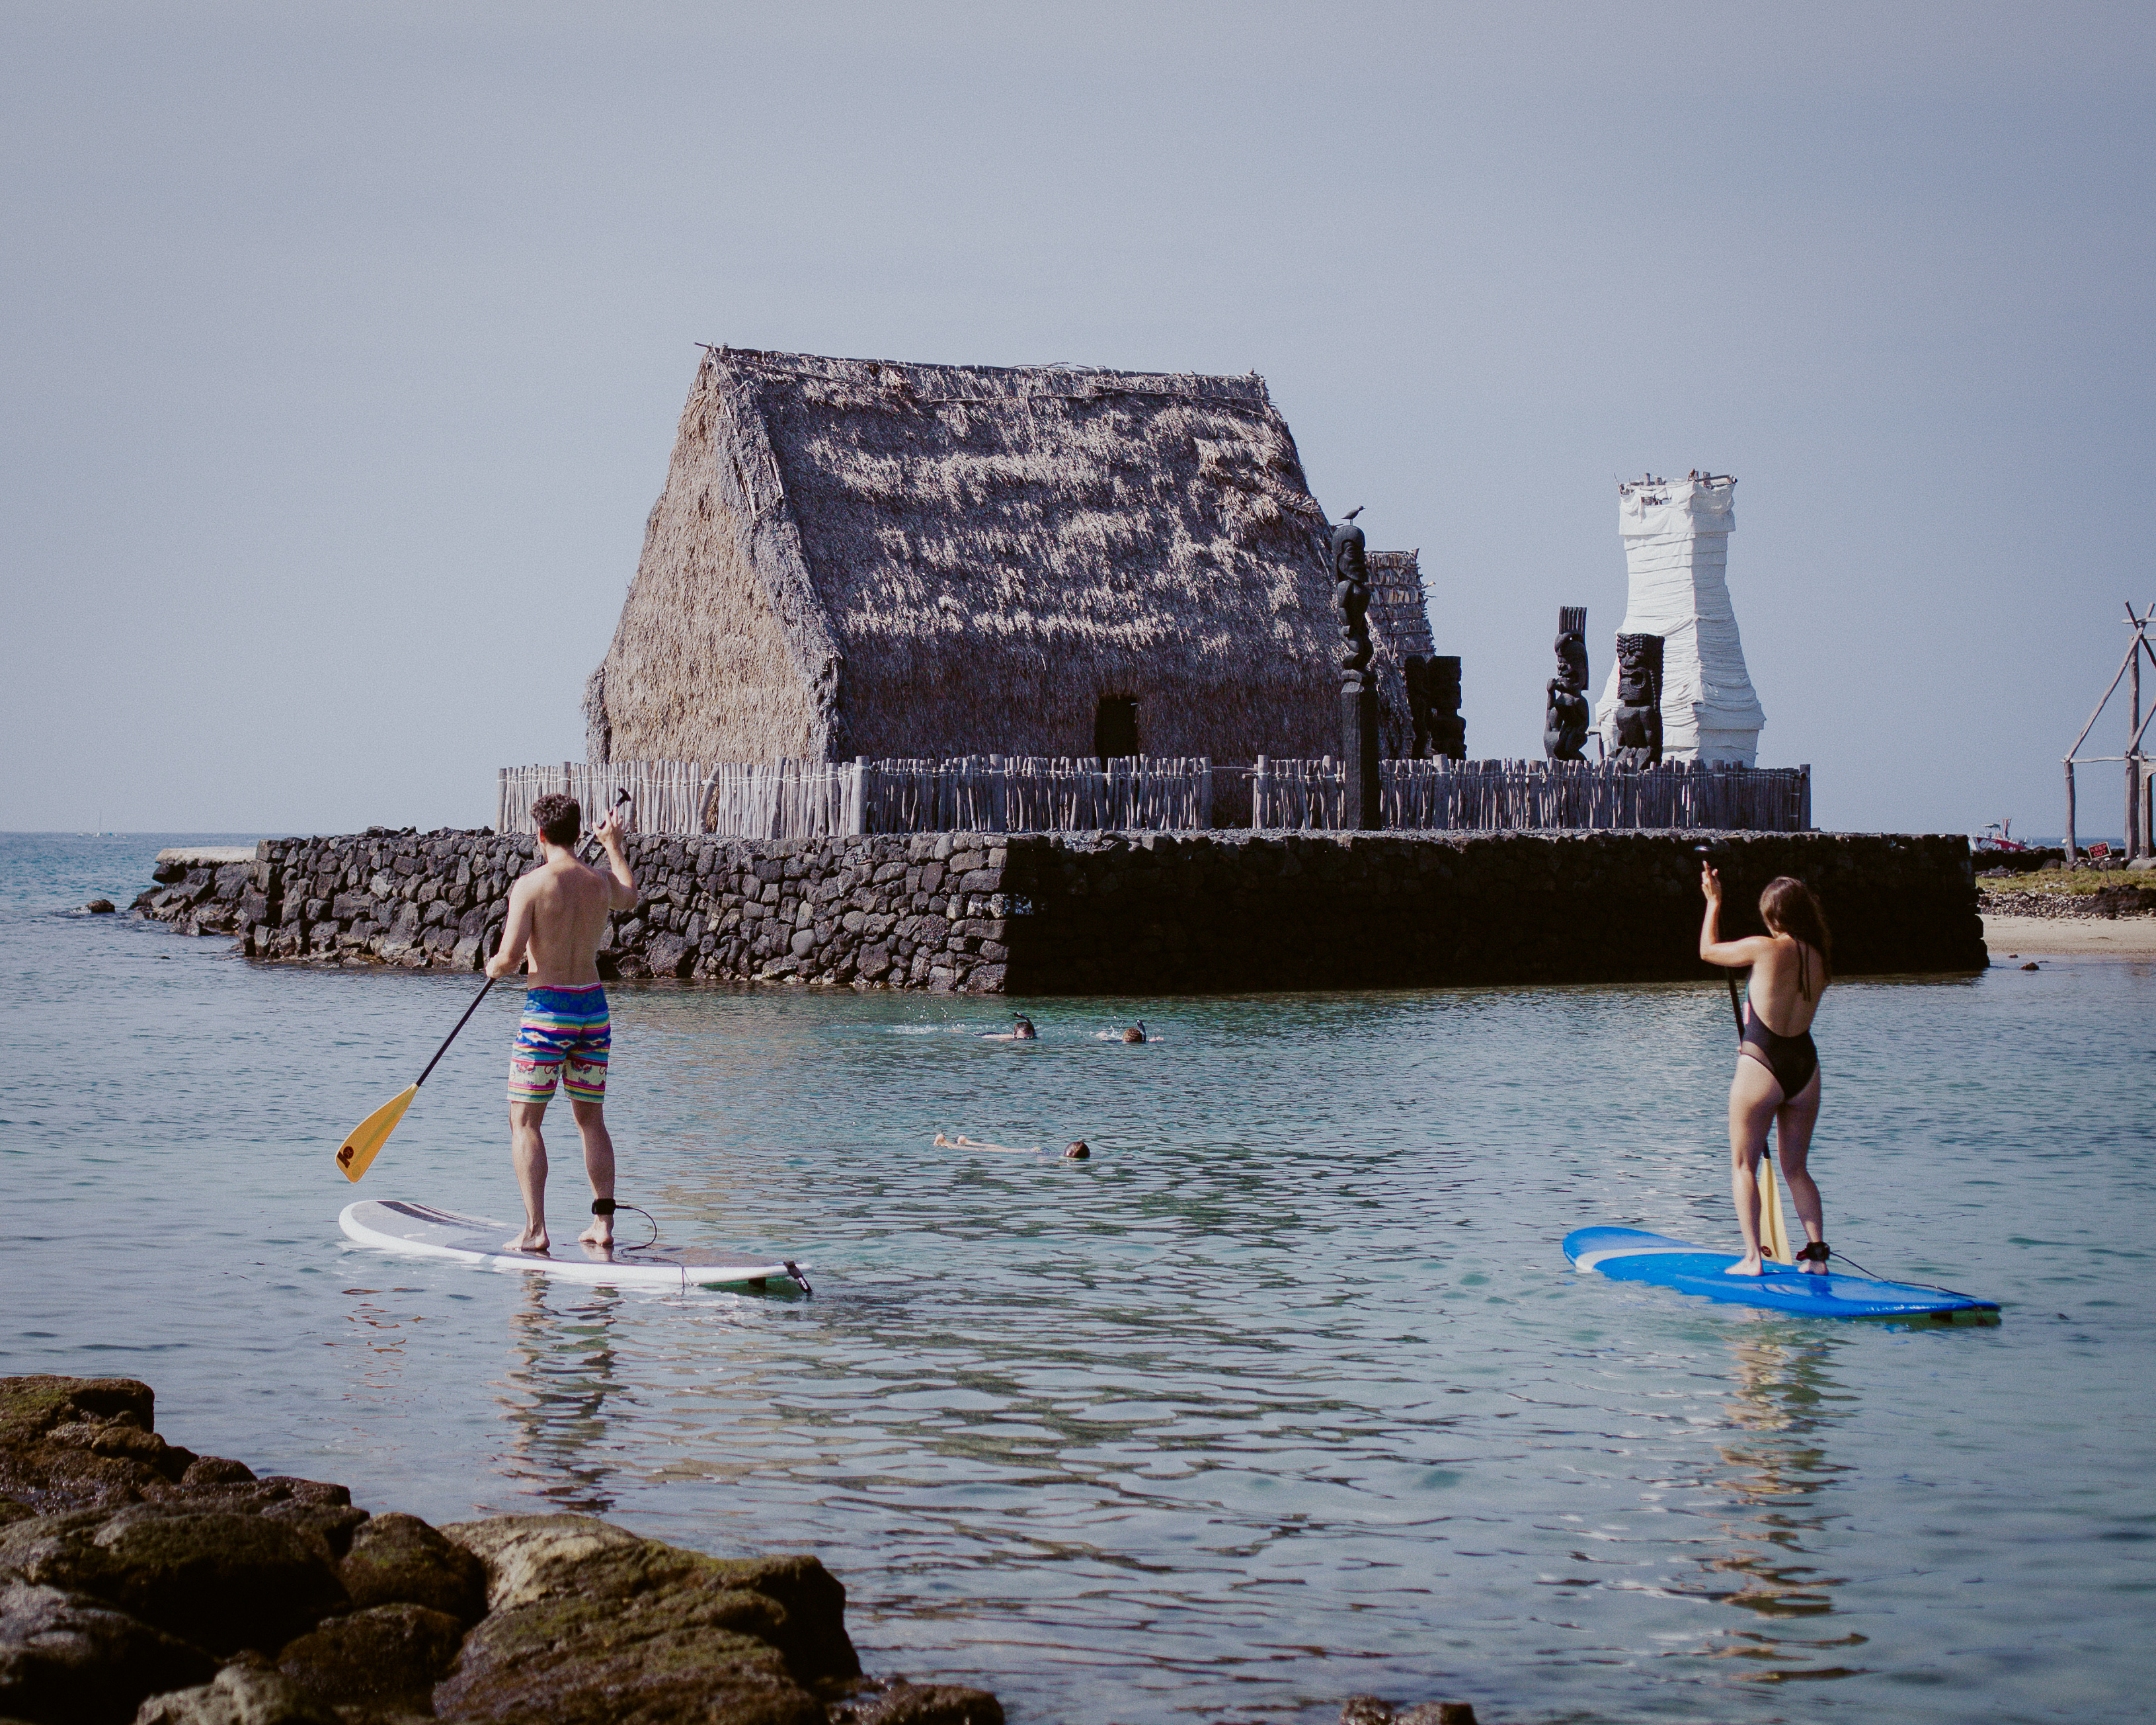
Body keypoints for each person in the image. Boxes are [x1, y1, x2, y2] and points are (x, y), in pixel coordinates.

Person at [487, 792, 637, 1254]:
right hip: (592, 1010)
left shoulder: (530, 886)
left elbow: (510, 960)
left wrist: (492, 965)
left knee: (524, 1121)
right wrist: (613, 845)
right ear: (578, 833)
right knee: (590, 1119)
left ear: (540, 835)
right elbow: (630, 898)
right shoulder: (597, 881)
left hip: (548, 1013)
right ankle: (603, 1225)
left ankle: (535, 1229)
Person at [1698, 865, 1834, 1277]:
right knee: (1797, 1169)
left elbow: (1708, 950)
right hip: (1805, 1069)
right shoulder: (1821, 960)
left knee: (1743, 1165)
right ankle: (1817, 1259)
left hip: (1762, 1063)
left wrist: (1714, 902)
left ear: (1774, 917)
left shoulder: (1765, 948)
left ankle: (1754, 1259)